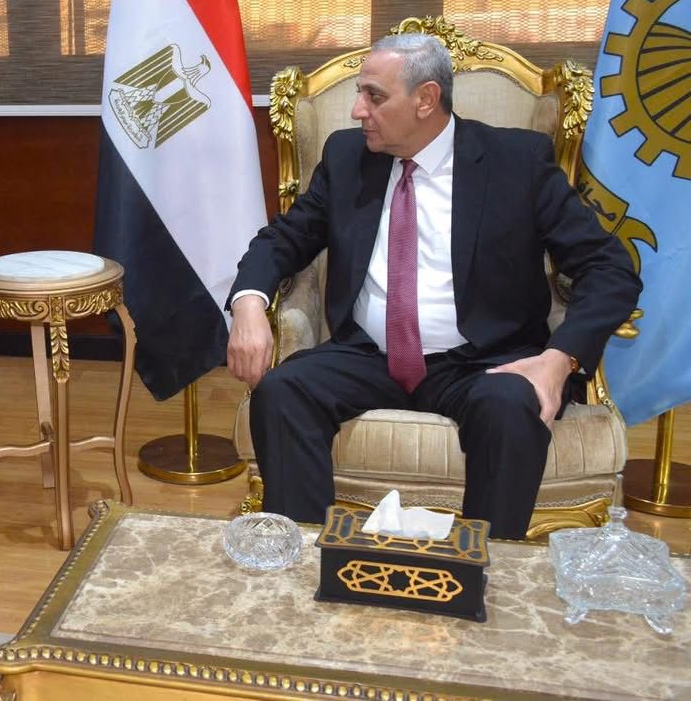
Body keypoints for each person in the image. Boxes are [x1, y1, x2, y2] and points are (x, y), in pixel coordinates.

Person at [226, 33, 641, 540]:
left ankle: (486, 563)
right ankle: (309, 555)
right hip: (369, 355)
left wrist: (560, 360)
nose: (357, 110)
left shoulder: (516, 162)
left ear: (426, 99)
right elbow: (282, 240)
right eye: (359, 93)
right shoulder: (346, 157)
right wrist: (249, 304)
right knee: (282, 391)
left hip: (484, 359)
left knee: (511, 406)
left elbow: (610, 268)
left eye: (374, 96)